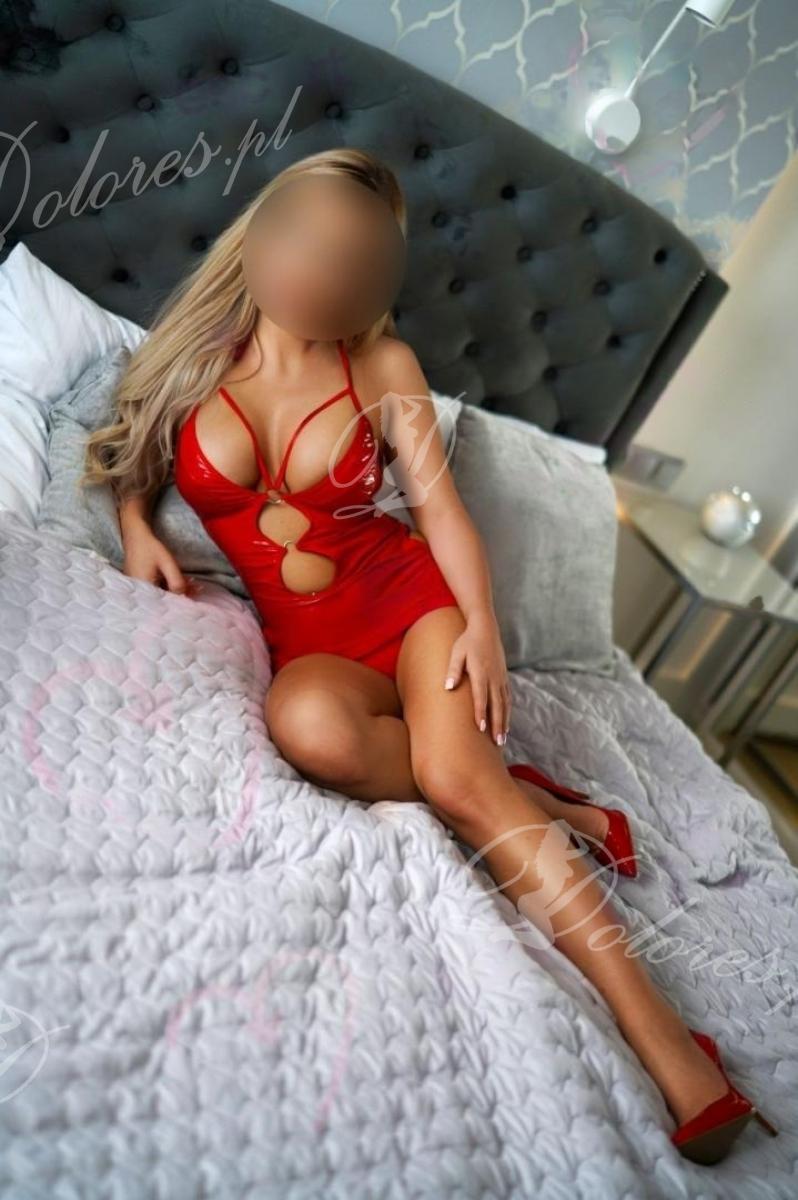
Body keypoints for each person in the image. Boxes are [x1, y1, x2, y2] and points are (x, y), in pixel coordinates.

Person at [80, 147, 777, 1165]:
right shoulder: (194, 358)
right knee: (308, 729)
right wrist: (136, 523)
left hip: (410, 609)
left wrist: (482, 626)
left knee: (453, 780)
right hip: (314, 646)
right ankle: (546, 803)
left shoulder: (383, 367)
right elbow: (130, 444)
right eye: (305, 244)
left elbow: (440, 510)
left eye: (352, 264)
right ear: (263, 234)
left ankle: (677, 1049)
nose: (319, 277)